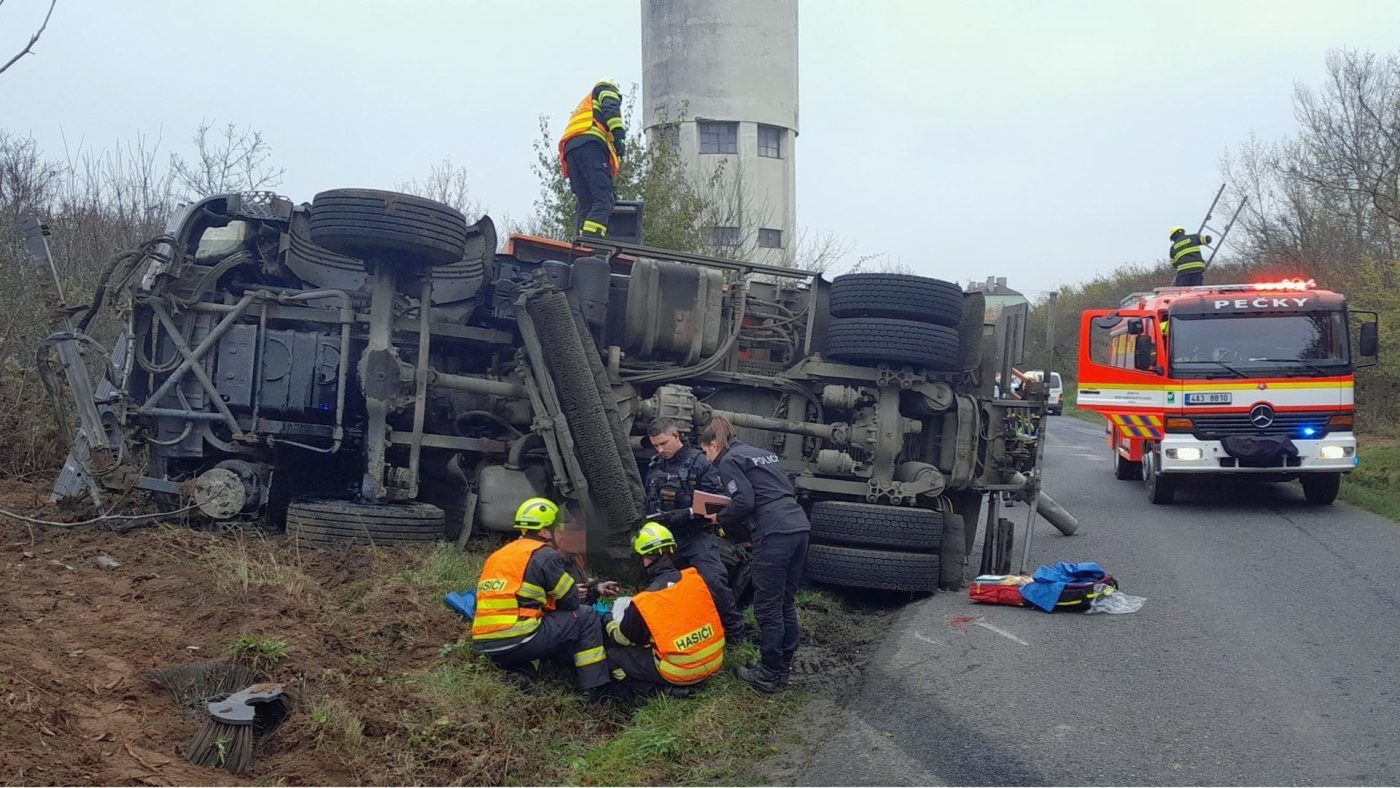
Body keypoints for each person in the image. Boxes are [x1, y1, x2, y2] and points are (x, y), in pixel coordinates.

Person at [698, 416, 810, 694]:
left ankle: (768, 675)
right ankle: (782, 666)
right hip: (798, 526)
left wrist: (717, 518)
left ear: (714, 444)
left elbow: (745, 501)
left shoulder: (728, 460)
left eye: (705, 452)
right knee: (785, 602)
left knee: (767, 606)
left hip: (774, 533)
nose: (707, 458)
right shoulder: (761, 453)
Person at [470, 497, 611, 698]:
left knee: (532, 636)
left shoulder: (498, 556)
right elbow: (570, 602)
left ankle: (520, 675)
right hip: (519, 638)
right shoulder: (545, 555)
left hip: (485, 643)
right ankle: (594, 689)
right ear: (545, 531)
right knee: (586, 616)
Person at [643, 417, 748, 641]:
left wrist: (689, 513)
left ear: (676, 436)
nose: (660, 450)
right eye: (655, 446)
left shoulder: (700, 462)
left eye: (663, 443)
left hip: (697, 535)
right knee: (661, 586)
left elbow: (719, 502)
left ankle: (736, 633)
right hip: (667, 538)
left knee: (713, 581)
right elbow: (648, 500)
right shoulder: (654, 467)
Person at [602, 522, 726, 698]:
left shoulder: (646, 600)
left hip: (680, 672)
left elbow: (624, 638)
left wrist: (607, 619)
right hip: (715, 660)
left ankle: (664, 693)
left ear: (645, 559)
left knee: (613, 656)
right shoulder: (697, 579)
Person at [558, 78, 627, 238]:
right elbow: (611, 108)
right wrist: (619, 135)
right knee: (604, 201)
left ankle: (583, 241)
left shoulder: (585, 108)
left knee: (587, 204)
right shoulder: (607, 89)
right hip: (590, 147)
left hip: (571, 152)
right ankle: (592, 245)